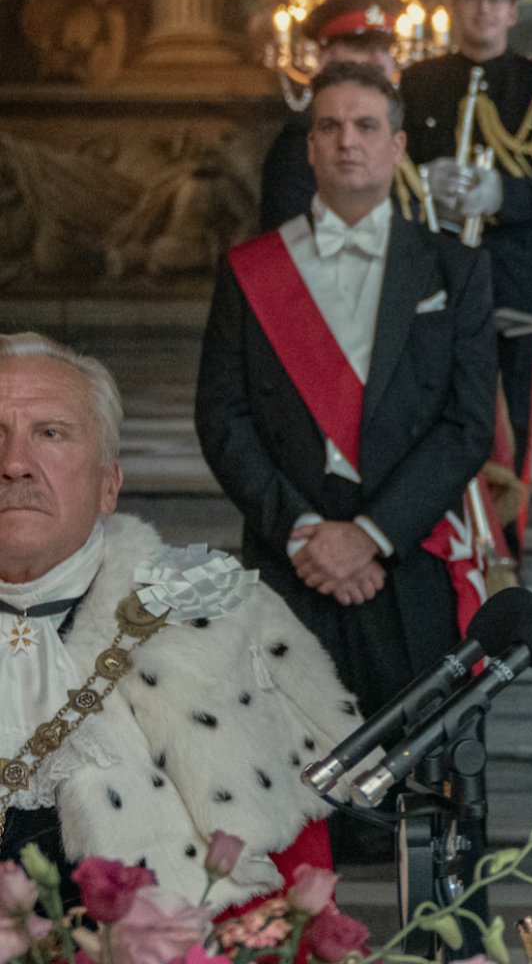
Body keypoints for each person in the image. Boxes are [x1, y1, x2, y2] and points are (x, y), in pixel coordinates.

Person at [1, 332, 361, 907]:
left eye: (50, 434)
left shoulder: (220, 625)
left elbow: (291, 913)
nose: (15, 464)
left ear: (108, 485)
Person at [196, 63, 496, 728]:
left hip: (403, 558)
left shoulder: (456, 268)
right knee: (288, 780)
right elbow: (222, 417)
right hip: (288, 560)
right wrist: (305, 534)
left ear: (397, 146)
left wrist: (368, 535)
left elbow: (468, 425)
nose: (347, 141)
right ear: (309, 149)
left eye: (366, 126)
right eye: (329, 126)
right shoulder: (252, 269)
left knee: (398, 780)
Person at [402, 0, 532, 537]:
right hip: (430, 283)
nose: (483, 9)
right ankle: (436, 546)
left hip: (511, 283)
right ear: (452, 5)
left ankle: (504, 557)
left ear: (513, 11)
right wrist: (422, 187)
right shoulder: (416, 82)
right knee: (425, 418)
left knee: (509, 433)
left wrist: (502, 195)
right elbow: (388, 172)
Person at [258, 0, 425, 233]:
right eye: (362, 47)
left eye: (385, 48)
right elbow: (291, 248)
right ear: (325, 58)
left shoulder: (402, 128)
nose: (378, 61)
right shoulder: (300, 144)